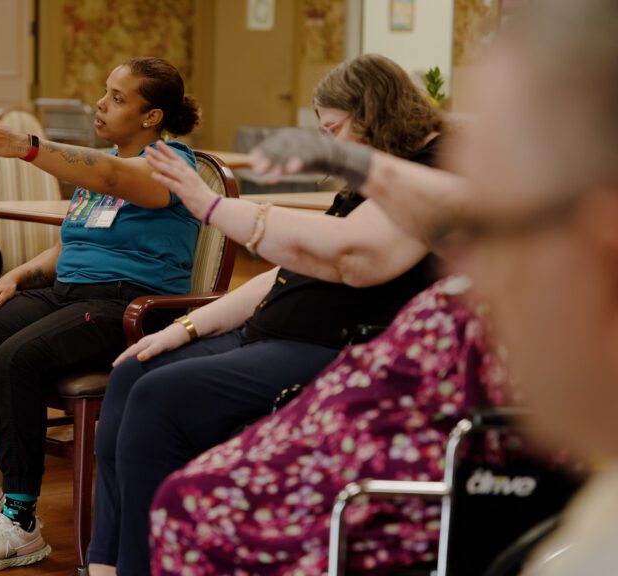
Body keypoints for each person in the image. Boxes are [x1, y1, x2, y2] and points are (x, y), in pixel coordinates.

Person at [151, 1, 618, 573]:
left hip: (403, 441)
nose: (461, 257)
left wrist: (216, 206)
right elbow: (457, 210)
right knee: (179, 463)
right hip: (371, 401)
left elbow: (361, 254)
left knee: (190, 496)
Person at [88, 54, 444, 576]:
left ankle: (149, 565)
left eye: (335, 130)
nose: (334, 146)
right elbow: (279, 275)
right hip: (272, 331)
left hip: (331, 345)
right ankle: (109, 561)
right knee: (133, 370)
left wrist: (215, 207)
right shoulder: (380, 174)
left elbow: (354, 254)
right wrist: (185, 328)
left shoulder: (429, 170)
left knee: (158, 397)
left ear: (375, 113)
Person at [0, 57, 200, 571]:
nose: (101, 102)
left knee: (16, 360)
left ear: (152, 116)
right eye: (105, 91)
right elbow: (77, 241)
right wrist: (19, 274)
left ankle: (22, 522)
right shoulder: (107, 164)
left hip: (130, 305)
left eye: (118, 97)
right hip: (71, 294)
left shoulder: (170, 166)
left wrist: (25, 148)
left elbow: (116, 176)